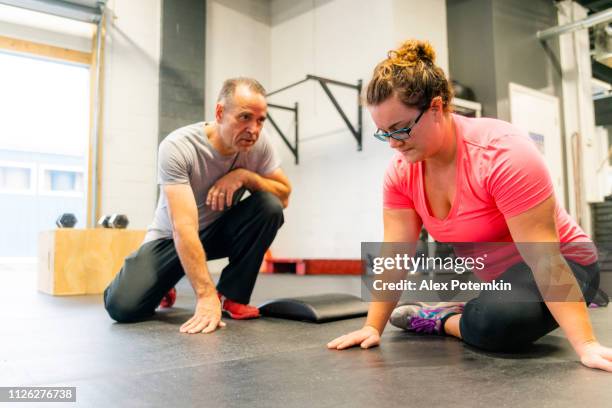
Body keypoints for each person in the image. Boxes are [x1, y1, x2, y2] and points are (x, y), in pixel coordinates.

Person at [327, 39, 612, 372]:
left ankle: (442, 318)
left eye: (400, 129)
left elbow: (543, 257)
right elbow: (394, 254)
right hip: (503, 280)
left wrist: (587, 345)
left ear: (436, 108)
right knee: (499, 309)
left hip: (567, 262)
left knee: (502, 322)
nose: (393, 143)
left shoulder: (503, 154)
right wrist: (372, 326)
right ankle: (478, 308)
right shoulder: (401, 173)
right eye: (383, 133)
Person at [104, 77, 291, 334]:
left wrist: (245, 177)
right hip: (170, 240)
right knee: (122, 307)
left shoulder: (259, 144)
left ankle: (232, 296)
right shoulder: (178, 146)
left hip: (217, 234)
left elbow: (284, 195)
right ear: (220, 112)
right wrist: (205, 296)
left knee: (269, 206)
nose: (254, 129)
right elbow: (184, 228)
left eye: (260, 120)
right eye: (245, 117)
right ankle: (165, 281)